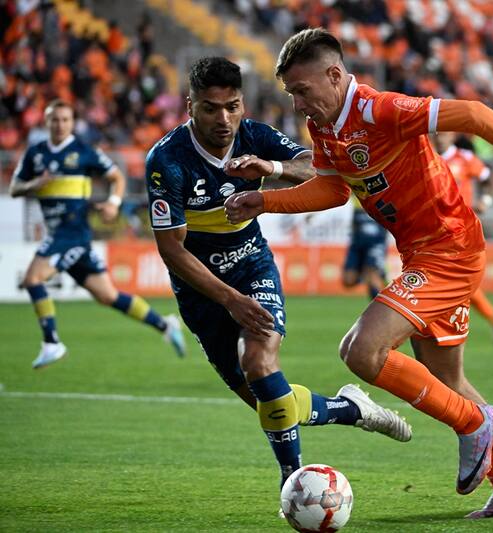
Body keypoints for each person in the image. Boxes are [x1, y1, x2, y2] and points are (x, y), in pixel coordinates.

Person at [225, 29, 493, 518]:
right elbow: (332, 192)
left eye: (302, 90)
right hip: (422, 254)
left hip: (449, 249)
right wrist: (263, 199)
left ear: (334, 75)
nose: (299, 104)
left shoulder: (380, 109)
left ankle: (475, 424)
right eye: (291, 94)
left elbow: (474, 114)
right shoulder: (325, 128)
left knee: (361, 350)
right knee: (444, 380)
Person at [145, 57, 410, 489]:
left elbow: (317, 166)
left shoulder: (255, 136)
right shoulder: (167, 160)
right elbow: (171, 250)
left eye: (232, 106)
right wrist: (228, 299)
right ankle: (352, 409)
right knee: (269, 402)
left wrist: (274, 169)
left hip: (252, 265)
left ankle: (294, 483)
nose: (224, 119)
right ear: (189, 105)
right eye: (211, 108)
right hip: (201, 293)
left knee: (259, 361)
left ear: (242, 103)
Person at [10, 99, 186, 369]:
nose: (59, 125)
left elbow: (117, 177)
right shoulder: (35, 154)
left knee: (33, 278)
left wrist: (113, 204)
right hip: (59, 232)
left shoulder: (83, 151)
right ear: (46, 122)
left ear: (72, 122)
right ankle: (164, 324)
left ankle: (52, 342)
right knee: (108, 296)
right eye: (54, 120)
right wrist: (36, 184)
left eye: (65, 120)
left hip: (72, 234)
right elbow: (15, 188)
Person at [433, 131, 493, 344]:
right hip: (432, 228)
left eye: (445, 134)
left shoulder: (464, 158)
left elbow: (487, 179)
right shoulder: (426, 156)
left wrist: (485, 200)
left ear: (452, 137)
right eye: (437, 133)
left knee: (452, 279)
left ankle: (437, 330)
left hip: (460, 229)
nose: (440, 137)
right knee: (458, 282)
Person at [342, 195, 388, 299]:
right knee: (348, 280)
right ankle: (377, 274)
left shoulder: (383, 197)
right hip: (357, 242)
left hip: (375, 243)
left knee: (372, 276)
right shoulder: (356, 193)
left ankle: (379, 309)